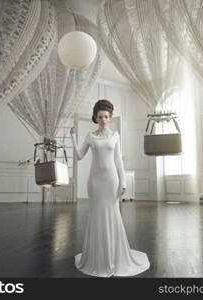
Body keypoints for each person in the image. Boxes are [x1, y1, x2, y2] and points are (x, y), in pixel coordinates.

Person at [70, 99, 150, 277]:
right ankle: (97, 258)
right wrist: (73, 138)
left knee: (113, 215)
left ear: (110, 117)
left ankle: (115, 257)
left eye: (106, 116)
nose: (104, 120)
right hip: (95, 182)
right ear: (95, 117)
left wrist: (123, 182)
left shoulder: (115, 136)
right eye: (100, 117)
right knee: (97, 216)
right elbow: (79, 156)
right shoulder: (90, 136)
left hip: (111, 181)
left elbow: (118, 161)